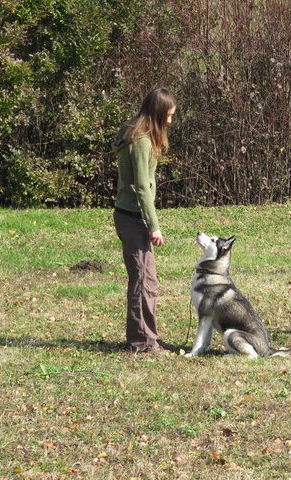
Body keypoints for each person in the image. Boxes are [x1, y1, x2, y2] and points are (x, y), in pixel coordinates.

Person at [111, 87, 176, 354]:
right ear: (158, 113)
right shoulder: (141, 142)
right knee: (141, 282)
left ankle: (151, 339)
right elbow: (141, 188)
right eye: (169, 116)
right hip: (133, 218)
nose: (170, 121)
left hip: (133, 217)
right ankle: (140, 342)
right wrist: (154, 225)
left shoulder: (140, 134)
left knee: (149, 282)